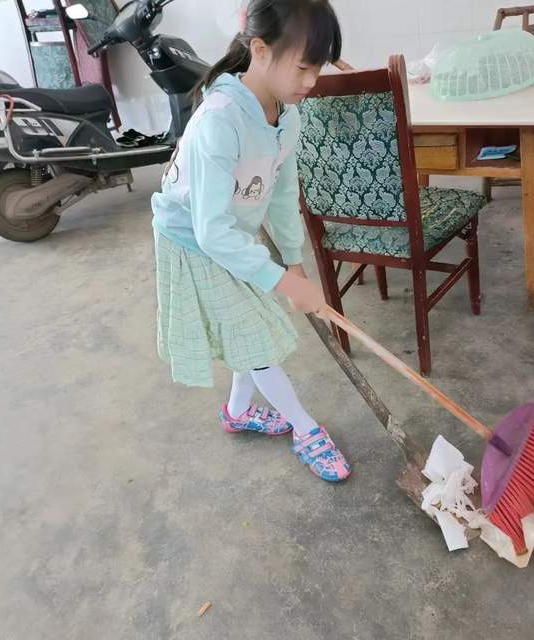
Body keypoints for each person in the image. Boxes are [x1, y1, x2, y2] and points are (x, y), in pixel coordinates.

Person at [151, 0, 350, 482]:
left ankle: (238, 411)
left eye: (318, 68)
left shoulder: (286, 116)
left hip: (231, 235)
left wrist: (294, 263)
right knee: (257, 339)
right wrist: (282, 281)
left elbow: (282, 194)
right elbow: (210, 231)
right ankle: (305, 428)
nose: (311, 81)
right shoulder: (220, 119)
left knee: (248, 331)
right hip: (193, 241)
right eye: (303, 67)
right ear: (260, 51)